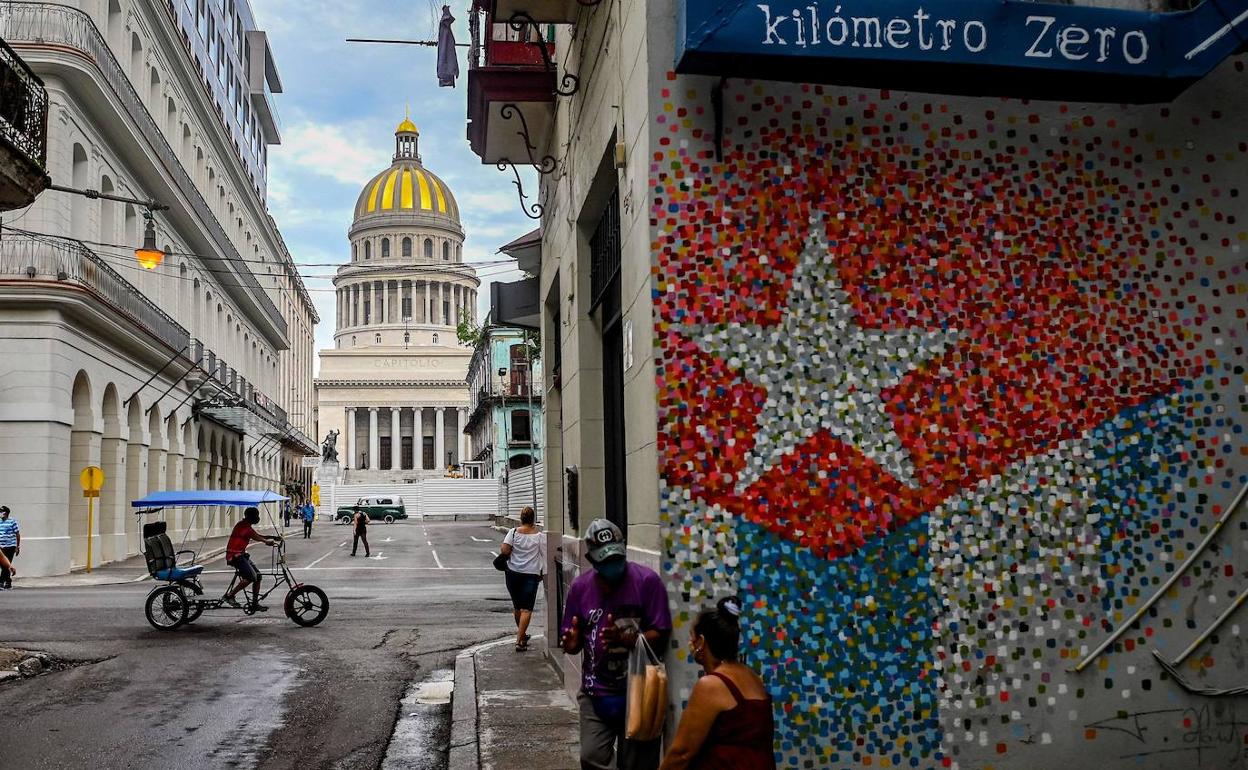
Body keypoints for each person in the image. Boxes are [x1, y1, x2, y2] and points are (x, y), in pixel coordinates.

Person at [560, 519, 672, 770]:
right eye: (605, 561)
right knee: (591, 756)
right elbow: (572, 641)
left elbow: (661, 632)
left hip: (639, 689)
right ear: (592, 559)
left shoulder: (647, 582)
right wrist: (572, 642)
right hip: (595, 691)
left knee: (638, 764)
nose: (613, 566)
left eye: (616, 558)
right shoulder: (580, 588)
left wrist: (627, 638)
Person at [658, 597, 775, 770]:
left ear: (702, 642)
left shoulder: (711, 685)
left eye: (692, 637)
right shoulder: (752, 677)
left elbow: (681, 753)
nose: (690, 644)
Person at [500, 506, 545, 651]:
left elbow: (505, 550)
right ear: (533, 519)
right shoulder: (539, 536)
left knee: (517, 607)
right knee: (527, 609)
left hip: (512, 573)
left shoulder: (513, 533)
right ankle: (519, 641)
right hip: (531, 575)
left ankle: (522, 635)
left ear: (521, 518)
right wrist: (542, 573)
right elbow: (544, 555)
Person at [223, 506, 279, 611]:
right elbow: (255, 536)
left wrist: (272, 537)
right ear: (250, 516)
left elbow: (256, 535)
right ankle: (230, 596)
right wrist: (266, 541)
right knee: (251, 577)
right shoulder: (244, 527)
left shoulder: (245, 525)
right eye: (256, 515)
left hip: (241, 555)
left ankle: (254, 603)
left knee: (258, 576)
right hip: (235, 556)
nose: (258, 518)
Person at [0, 506, 19, 590]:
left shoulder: (12, 522)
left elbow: (17, 534)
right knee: (3, 565)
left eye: (2, 511)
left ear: (6, 512)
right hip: (1, 546)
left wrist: (17, 546)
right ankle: (8, 582)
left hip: (10, 546)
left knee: (6, 565)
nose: (0, 513)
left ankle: (1, 582)